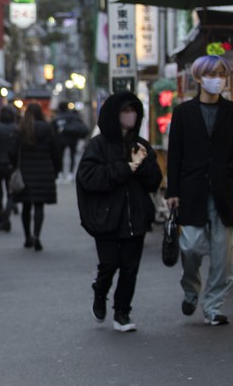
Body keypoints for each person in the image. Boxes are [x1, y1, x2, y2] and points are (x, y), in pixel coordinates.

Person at [166, 54, 233, 326]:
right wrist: (172, 191)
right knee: (190, 247)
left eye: (222, 74)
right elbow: (175, 153)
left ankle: (213, 305)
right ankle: (191, 289)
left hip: (223, 192)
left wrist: (229, 170)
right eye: (212, 74)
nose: (218, 80)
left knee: (223, 255)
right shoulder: (183, 113)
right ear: (199, 78)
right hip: (191, 190)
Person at [76, 91, 163, 333]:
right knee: (109, 263)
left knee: (129, 267)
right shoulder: (98, 145)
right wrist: (126, 167)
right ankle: (100, 291)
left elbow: (154, 181)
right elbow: (89, 178)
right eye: (125, 111)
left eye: (134, 110)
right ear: (115, 115)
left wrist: (142, 165)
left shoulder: (141, 145)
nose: (131, 115)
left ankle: (122, 312)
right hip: (106, 217)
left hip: (135, 216)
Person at [14, 102, 61, 251]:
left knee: (26, 206)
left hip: (26, 170)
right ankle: (37, 235)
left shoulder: (21, 129)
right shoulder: (47, 128)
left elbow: (14, 152)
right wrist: (56, 169)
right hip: (44, 170)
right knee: (39, 206)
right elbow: (55, 150)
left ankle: (27, 237)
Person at [0, 105, 18, 232]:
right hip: (10, 164)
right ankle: (7, 212)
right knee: (11, 191)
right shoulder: (16, 129)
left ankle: (0, 220)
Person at [52, 102, 89, 181]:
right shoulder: (72, 116)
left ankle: (60, 172)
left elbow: (53, 131)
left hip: (60, 140)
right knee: (72, 156)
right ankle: (70, 173)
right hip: (72, 139)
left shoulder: (57, 117)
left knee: (60, 156)